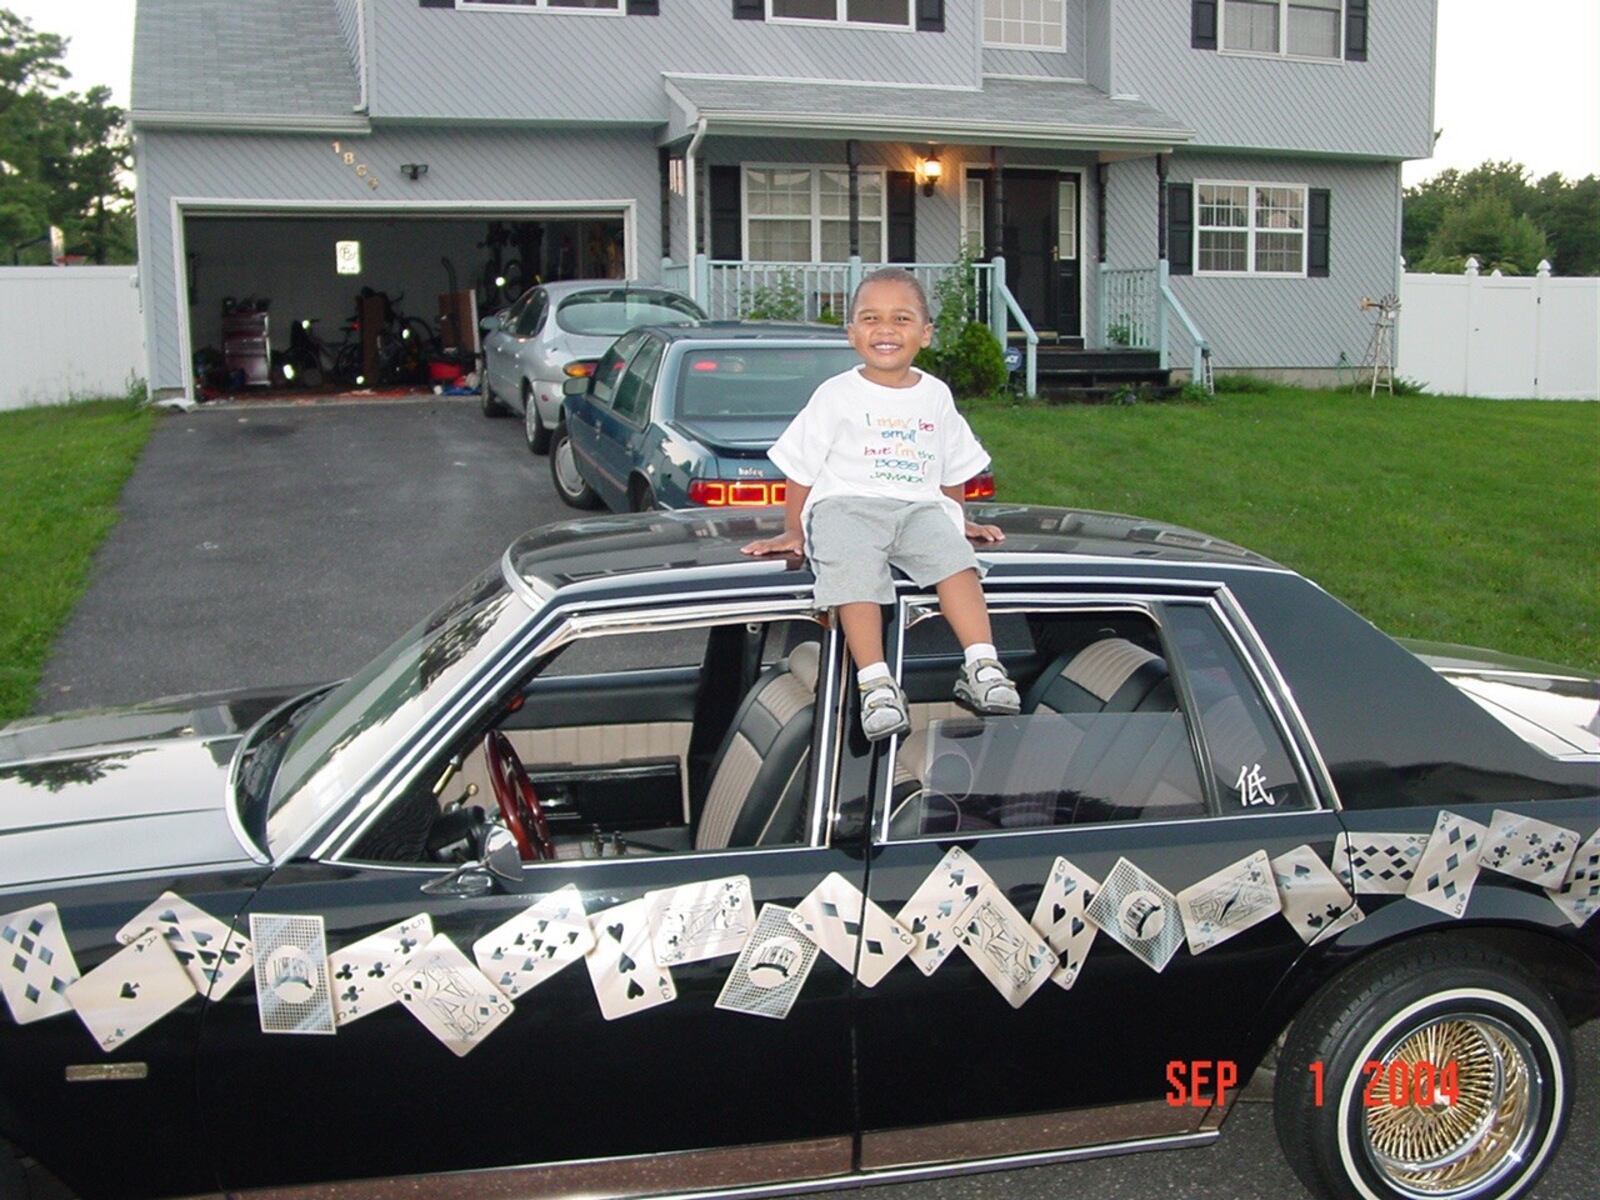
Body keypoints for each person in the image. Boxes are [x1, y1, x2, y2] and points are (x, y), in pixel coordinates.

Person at [741, 267, 1019, 741]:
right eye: (870, 318)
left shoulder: (935, 395)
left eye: (902, 318)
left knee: (957, 564)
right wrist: (794, 530)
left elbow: (952, 467)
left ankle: (982, 665)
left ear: (925, 334)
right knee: (853, 573)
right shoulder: (836, 395)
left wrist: (960, 520)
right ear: (852, 334)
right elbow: (801, 468)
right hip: (846, 508)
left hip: (917, 509)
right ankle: (875, 682)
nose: (885, 329)